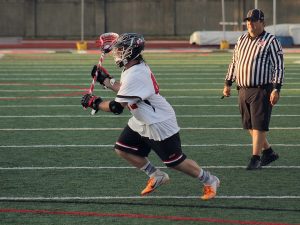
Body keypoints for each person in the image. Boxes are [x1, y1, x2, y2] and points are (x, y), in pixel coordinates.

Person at [81, 33, 220, 200]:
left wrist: (94, 102)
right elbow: (125, 88)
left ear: (131, 51)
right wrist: (105, 80)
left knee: (175, 162)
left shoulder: (136, 73)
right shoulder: (132, 68)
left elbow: (116, 107)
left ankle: (210, 180)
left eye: (121, 49)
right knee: (122, 149)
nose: (117, 53)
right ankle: (156, 175)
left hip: (158, 122)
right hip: (141, 119)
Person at [223, 9, 284, 170]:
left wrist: (276, 89)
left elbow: (278, 66)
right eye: (248, 20)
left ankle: (255, 158)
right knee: (249, 125)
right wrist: (228, 83)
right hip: (242, 88)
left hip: (261, 88)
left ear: (262, 22)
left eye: (254, 20)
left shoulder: (271, 40)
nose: (250, 23)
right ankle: (269, 152)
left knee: (259, 125)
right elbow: (234, 62)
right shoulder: (242, 39)